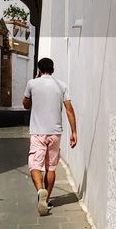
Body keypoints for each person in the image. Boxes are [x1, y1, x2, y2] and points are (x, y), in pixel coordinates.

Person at [22, 57, 77, 216]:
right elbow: (69, 110)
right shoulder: (62, 86)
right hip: (55, 132)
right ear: (53, 69)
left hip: (38, 132)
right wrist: (74, 132)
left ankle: (40, 191)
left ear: (39, 69)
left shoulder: (32, 83)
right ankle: (46, 200)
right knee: (51, 167)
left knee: (35, 165)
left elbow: (25, 104)